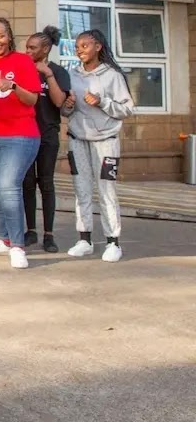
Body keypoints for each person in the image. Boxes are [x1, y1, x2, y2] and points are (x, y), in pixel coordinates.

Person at [62, 29, 134, 263]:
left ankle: (113, 242)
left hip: (106, 142)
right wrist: (69, 105)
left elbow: (127, 109)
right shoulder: (71, 75)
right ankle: (84, 239)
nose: (80, 49)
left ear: (98, 47)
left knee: (106, 191)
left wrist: (102, 101)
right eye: (77, 46)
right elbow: (64, 111)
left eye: (85, 45)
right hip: (78, 140)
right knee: (81, 190)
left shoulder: (112, 75)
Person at [0, 17, 40, 270]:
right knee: (1, 189)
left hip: (20, 135)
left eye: (0, 36)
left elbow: (32, 99)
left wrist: (13, 86)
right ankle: (4, 238)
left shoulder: (23, 62)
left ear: (9, 36)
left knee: (11, 188)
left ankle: (17, 245)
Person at [23, 26, 71, 253]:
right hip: (24, 133)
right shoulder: (23, 68)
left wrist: (47, 74)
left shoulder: (58, 72)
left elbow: (60, 101)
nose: (28, 51)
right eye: (27, 48)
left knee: (46, 183)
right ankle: (30, 230)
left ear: (46, 49)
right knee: (27, 183)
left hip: (47, 135)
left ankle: (49, 234)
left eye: (33, 48)